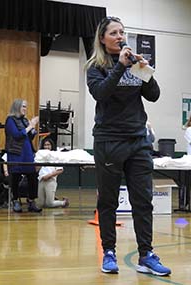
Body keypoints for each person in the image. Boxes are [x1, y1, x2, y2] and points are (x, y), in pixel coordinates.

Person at [85, 16, 170, 276]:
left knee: (143, 201)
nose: (120, 36)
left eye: (122, 32)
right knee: (108, 201)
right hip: (109, 140)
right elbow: (101, 93)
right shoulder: (95, 67)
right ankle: (109, 252)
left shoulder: (134, 64)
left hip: (138, 141)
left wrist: (145, 71)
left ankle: (146, 254)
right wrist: (120, 66)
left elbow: (153, 95)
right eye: (114, 33)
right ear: (102, 38)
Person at [4, 99, 42, 213]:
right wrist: (30, 126)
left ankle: (31, 200)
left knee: (32, 176)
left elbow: (28, 136)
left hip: (27, 152)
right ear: (17, 107)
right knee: (15, 176)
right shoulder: (10, 120)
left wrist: (33, 129)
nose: (25, 109)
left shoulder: (25, 120)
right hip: (16, 152)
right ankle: (15, 200)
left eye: (26, 106)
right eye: (23, 106)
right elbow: (16, 135)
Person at [37, 138, 69, 208]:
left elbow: (60, 170)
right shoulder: (41, 155)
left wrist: (49, 176)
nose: (46, 147)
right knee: (41, 204)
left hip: (50, 180)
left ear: (52, 146)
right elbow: (37, 169)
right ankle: (53, 198)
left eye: (48, 145)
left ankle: (63, 202)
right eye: (45, 145)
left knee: (49, 204)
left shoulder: (55, 156)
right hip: (41, 180)